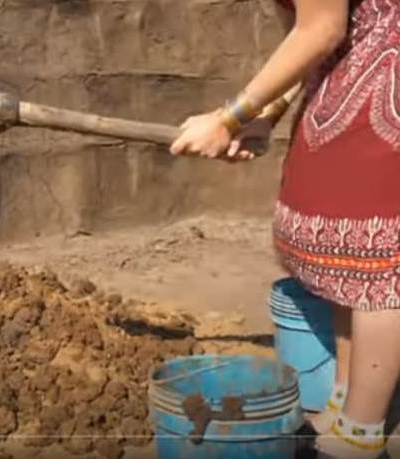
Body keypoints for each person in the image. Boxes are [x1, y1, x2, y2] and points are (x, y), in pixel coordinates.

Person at [170, 1, 400, 458]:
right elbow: (305, 38)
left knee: (379, 257)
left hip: (386, 83)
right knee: (339, 240)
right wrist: (263, 117)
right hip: (343, 75)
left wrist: (227, 117)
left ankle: (359, 434)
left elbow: (323, 29)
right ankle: (343, 399)